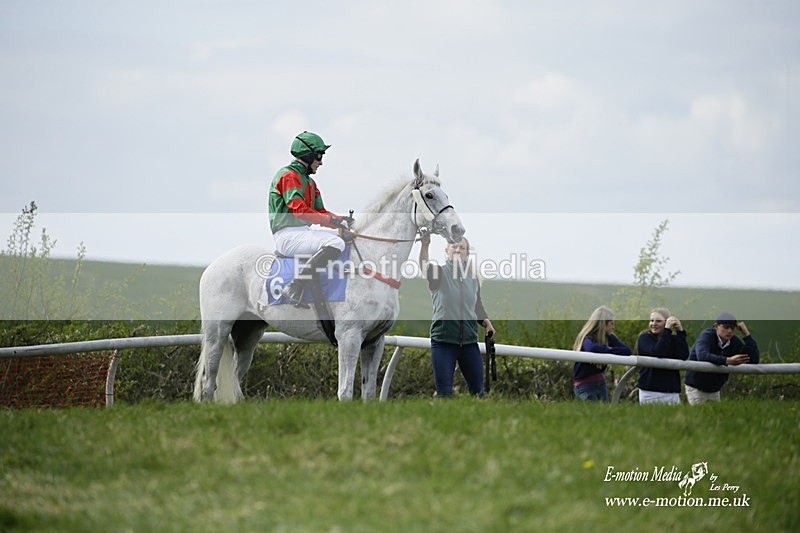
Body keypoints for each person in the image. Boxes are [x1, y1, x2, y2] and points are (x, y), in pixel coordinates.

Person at [268, 131, 352, 308]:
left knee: (342, 236)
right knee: (336, 243)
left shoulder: (310, 182)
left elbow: (320, 211)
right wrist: (333, 221)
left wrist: (341, 220)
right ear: (309, 156)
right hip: (287, 236)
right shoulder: (288, 176)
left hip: (303, 233)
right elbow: (300, 212)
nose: (321, 163)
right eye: (319, 157)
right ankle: (295, 286)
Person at [419, 233, 495, 397]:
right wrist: (424, 245)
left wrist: (486, 322)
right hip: (443, 342)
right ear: (447, 250)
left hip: (469, 342)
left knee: (478, 393)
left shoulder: (473, 278)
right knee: (444, 393)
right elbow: (424, 266)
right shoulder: (438, 273)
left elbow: (476, 305)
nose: (458, 249)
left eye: (462, 247)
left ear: (467, 253)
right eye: (454, 246)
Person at [684, 312, 759, 404]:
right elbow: (702, 356)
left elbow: (754, 359)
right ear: (716, 326)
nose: (730, 331)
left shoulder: (734, 341)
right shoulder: (706, 335)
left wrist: (747, 335)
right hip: (696, 387)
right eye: (726, 327)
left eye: (732, 328)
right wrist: (727, 360)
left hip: (714, 389)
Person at [572, 306, 632, 402]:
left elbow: (627, 351)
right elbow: (591, 348)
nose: (613, 327)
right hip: (584, 385)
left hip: (600, 383)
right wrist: (609, 349)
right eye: (611, 323)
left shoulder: (609, 337)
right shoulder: (587, 337)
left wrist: (607, 350)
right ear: (603, 324)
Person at [634, 307, 689, 404]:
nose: (653, 324)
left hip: (671, 391)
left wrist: (680, 331)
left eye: (658, 321)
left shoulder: (672, 339)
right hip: (650, 391)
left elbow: (683, 355)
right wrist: (667, 330)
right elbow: (658, 352)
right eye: (651, 320)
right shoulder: (644, 337)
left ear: (666, 322)